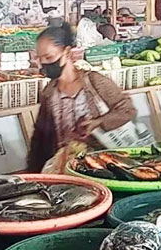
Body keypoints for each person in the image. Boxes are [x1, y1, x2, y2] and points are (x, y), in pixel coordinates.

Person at [27, 23, 136, 172]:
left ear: (66, 53)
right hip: (66, 165)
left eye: (49, 57)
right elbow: (40, 138)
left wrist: (99, 122)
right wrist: (33, 172)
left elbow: (127, 109)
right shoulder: (49, 93)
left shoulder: (95, 82)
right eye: (40, 59)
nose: (44, 63)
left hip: (102, 165)